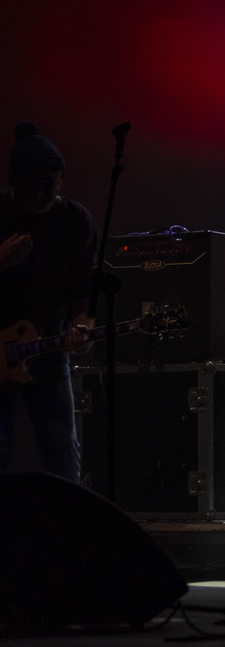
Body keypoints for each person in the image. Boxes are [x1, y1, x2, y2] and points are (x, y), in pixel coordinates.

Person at [0, 121, 98, 483]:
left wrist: (81, 324)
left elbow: (84, 284)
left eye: (58, 179)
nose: (53, 188)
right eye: (43, 181)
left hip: (49, 346)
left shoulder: (74, 219)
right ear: (20, 181)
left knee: (61, 449)